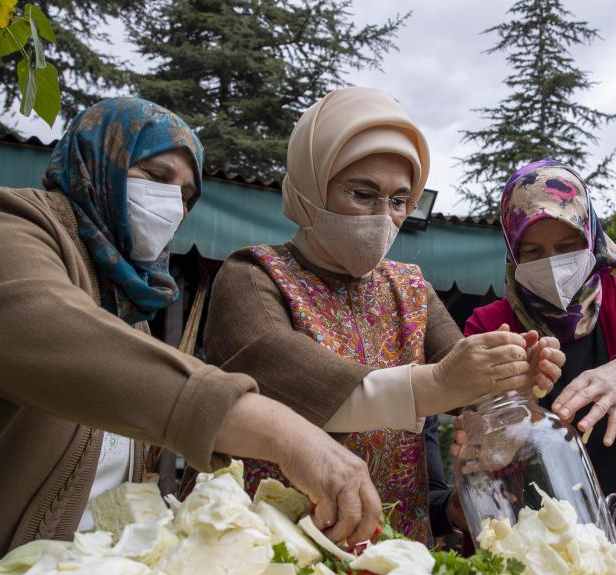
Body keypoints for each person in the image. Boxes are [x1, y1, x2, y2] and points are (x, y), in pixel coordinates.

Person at [0, 98, 378, 575]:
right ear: (95, 162)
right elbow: (55, 336)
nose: (171, 203)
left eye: (186, 193)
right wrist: (283, 432)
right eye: (154, 175)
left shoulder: (126, 307)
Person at [204, 88, 559, 544]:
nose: (383, 217)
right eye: (363, 193)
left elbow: (461, 376)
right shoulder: (253, 275)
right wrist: (437, 384)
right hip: (275, 547)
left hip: (393, 550)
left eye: (398, 201)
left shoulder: (410, 288)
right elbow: (288, 380)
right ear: (312, 184)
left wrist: (510, 375)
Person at [462, 159, 616, 504]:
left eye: (567, 247)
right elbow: (473, 418)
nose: (551, 263)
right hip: (521, 534)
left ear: (591, 237)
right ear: (512, 254)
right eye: (533, 252)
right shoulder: (490, 325)